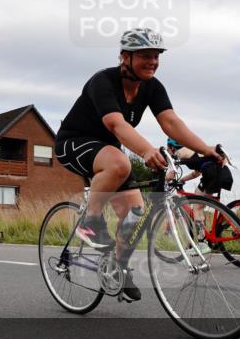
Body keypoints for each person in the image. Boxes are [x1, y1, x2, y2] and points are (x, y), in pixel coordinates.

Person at [55, 28, 225, 302]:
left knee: (135, 212)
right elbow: (115, 124)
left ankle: (116, 268)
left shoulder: (152, 87)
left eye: (156, 56)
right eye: (145, 55)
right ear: (125, 57)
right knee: (119, 161)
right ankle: (90, 221)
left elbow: (171, 123)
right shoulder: (103, 81)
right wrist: (146, 150)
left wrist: (205, 149)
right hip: (74, 143)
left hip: (111, 153)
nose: (153, 61)